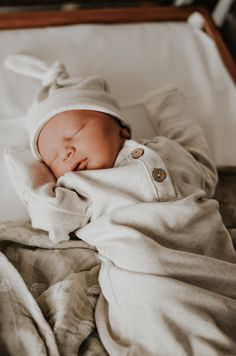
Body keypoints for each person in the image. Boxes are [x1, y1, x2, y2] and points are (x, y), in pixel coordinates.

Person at [5, 55, 236, 356]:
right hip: (146, 276)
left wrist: (167, 106)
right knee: (164, 310)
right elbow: (50, 216)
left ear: (122, 129)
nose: (66, 152)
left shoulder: (168, 151)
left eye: (73, 134)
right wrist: (25, 165)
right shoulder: (79, 188)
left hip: (213, 265)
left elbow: (200, 161)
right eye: (51, 158)